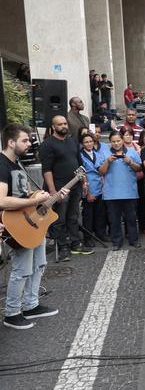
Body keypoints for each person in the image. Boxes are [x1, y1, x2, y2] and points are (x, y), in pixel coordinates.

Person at [0, 123, 61, 330]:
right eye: (24, 140)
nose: (29, 144)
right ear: (11, 142)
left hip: (32, 223)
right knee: (22, 270)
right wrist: (31, 202)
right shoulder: (2, 165)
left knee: (39, 265)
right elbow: (1, 200)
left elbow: (24, 196)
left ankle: (31, 304)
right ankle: (12, 312)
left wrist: (43, 198)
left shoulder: (17, 164)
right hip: (17, 226)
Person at [39, 115, 92, 261]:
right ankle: (63, 247)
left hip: (75, 186)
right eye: (60, 124)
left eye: (65, 123)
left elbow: (80, 164)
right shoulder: (47, 144)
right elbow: (46, 170)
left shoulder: (72, 141)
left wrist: (85, 182)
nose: (64, 126)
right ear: (53, 126)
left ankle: (76, 244)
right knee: (59, 219)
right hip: (58, 189)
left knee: (73, 216)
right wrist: (52, 191)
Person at [97, 131, 142, 250]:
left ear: (122, 140)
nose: (116, 143)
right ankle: (117, 242)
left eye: (118, 141)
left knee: (131, 219)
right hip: (111, 193)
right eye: (113, 141)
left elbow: (139, 168)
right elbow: (101, 172)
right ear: (110, 142)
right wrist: (107, 161)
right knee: (114, 220)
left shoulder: (132, 152)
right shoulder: (104, 153)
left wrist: (130, 162)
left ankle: (134, 240)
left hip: (130, 192)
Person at [79, 131, 109, 247]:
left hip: (100, 187)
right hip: (88, 187)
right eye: (86, 142)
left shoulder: (97, 153)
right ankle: (88, 238)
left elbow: (102, 168)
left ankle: (100, 233)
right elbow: (82, 173)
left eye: (91, 141)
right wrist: (88, 193)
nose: (89, 143)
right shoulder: (80, 155)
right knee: (88, 215)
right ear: (82, 144)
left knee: (100, 213)